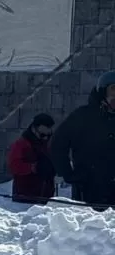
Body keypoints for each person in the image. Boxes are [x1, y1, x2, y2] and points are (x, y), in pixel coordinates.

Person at [52, 71, 115, 210]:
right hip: (89, 191)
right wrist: (68, 174)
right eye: (113, 89)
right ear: (103, 91)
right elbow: (57, 144)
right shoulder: (83, 117)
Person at [7, 113, 56, 204]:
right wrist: (33, 167)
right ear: (34, 129)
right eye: (42, 135)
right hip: (25, 198)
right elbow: (13, 166)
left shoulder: (49, 144)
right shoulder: (21, 144)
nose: (45, 138)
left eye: (48, 135)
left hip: (46, 197)